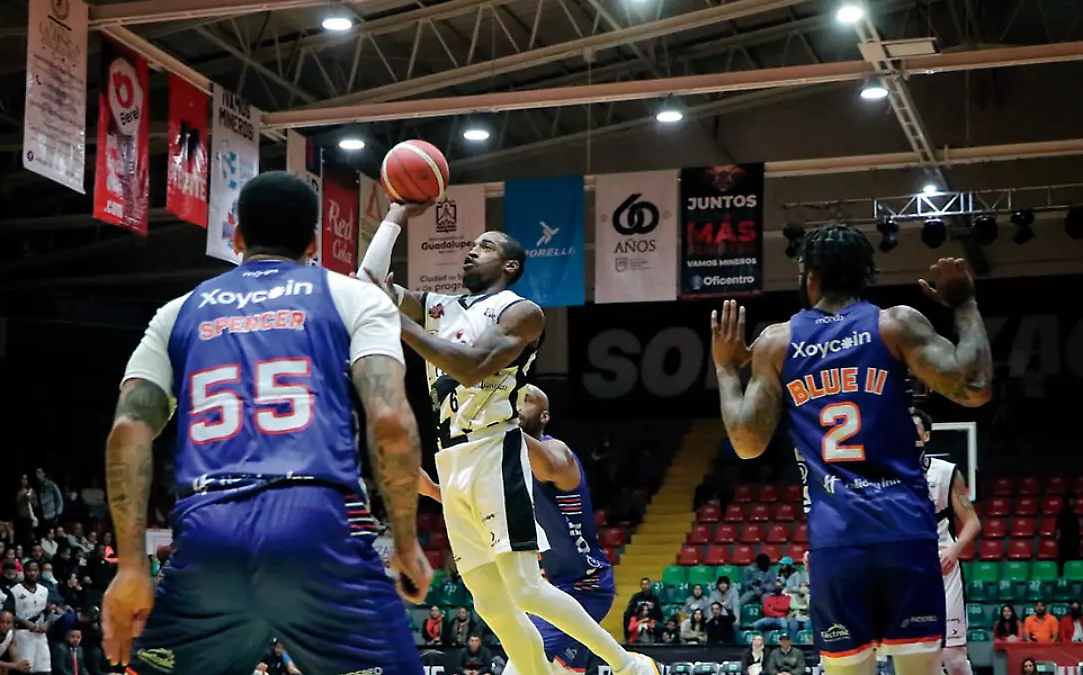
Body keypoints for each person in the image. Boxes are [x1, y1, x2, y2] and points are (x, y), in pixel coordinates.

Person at [101, 172, 430, 675]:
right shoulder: (355, 298)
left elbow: (128, 431)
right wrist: (405, 541)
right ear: (313, 244)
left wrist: (130, 565)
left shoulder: (177, 313)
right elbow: (388, 419)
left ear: (236, 237)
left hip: (207, 531)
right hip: (317, 525)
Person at [360, 206, 656, 675]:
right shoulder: (439, 308)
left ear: (510, 265)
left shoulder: (521, 312)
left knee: (525, 589)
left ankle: (628, 665)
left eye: (485, 246)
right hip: (450, 458)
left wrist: (397, 321)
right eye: (472, 244)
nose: (471, 250)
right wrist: (396, 213)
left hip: (494, 449)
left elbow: (471, 366)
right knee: (489, 603)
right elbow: (368, 283)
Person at [711, 226, 993, 675]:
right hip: (905, 532)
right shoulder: (895, 324)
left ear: (809, 276)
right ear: (867, 274)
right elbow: (975, 387)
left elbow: (746, 444)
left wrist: (727, 369)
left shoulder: (777, 343)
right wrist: (964, 304)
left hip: (837, 539)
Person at [422, 385, 617, 675]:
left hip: (585, 584)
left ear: (544, 415)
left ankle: (631, 665)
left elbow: (549, 467)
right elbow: (479, 509)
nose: (515, 403)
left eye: (525, 399)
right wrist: (431, 490)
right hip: (552, 589)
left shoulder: (556, 451)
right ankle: (632, 666)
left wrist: (495, 427)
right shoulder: (507, 467)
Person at [917, 408, 980, 675]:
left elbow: (972, 522)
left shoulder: (945, 472)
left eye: (914, 428)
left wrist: (954, 549)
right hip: (904, 569)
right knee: (915, 656)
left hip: (943, 566)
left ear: (926, 436)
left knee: (953, 656)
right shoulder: (885, 474)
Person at [12, 560, 51, 675]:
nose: (32, 573)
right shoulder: (14, 590)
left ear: (39, 572)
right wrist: (25, 622)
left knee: (44, 669)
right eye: (29, 570)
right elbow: (8, 614)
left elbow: (48, 611)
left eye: (35, 570)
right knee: (26, 668)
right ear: (24, 571)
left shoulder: (44, 590)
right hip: (23, 633)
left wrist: (47, 623)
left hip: (40, 633)